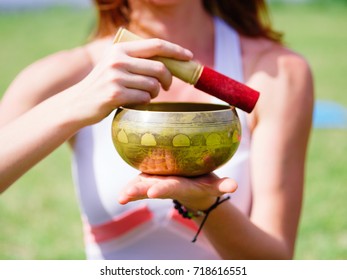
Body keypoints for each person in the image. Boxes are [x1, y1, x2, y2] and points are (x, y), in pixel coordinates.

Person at [0, 0, 314, 260]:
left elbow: (275, 261)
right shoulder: (65, 75)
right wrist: (72, 105)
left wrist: (206, 205)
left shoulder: (277, 73)